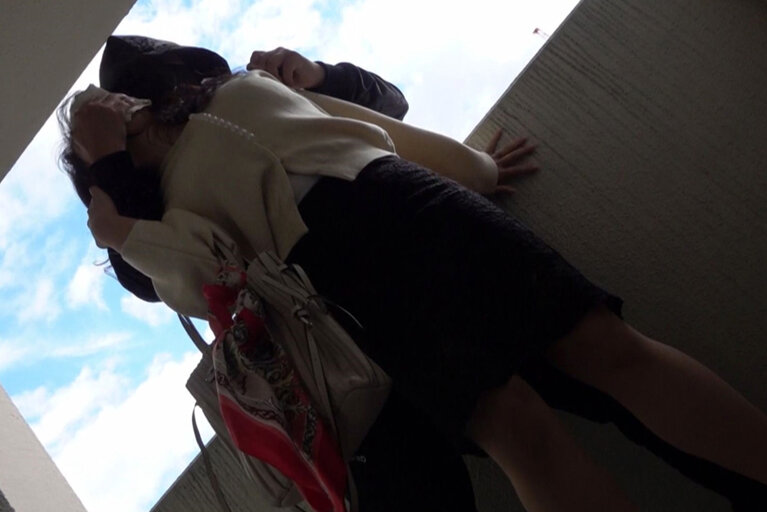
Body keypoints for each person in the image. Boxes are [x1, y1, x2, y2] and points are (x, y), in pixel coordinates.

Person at [60, 40, 767, 511]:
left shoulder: (231, 90)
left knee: (609, 350)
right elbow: (177, 282)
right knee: (519, 429)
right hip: (336, 276)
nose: (115, 98)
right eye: (101, 111)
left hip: (402, 199)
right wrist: (110, 170)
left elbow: (379, 119)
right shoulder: (140, 210)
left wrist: (473, 167)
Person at [76, 35, 479, 512]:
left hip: (380, 314)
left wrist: (320, 76)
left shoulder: (240, 98)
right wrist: (111, 168)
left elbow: (381, 112)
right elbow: (145, 277)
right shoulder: (162, 192)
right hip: (334, 357)